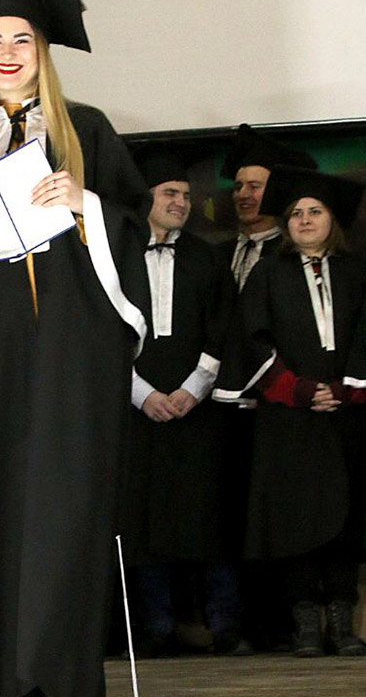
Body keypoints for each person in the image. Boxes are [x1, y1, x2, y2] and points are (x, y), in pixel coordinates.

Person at [0, 0, 151, 697]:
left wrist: (84, 201)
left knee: (63, 506)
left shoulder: (85, 130)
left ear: (43, 49)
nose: (7, 52)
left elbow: (135, 226)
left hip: (69, 348)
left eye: (21, 37)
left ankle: (60, 682)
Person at [214, 166, 366, 656]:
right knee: (294, 519)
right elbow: (251, 338)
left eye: (314, 211)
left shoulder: (358, 272)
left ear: (332, 219)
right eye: (296, 212)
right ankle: (305, 624)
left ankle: (342, 622)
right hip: (289, 419)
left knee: (347, 518)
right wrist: (297, 390)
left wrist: (347, 388)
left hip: (348, 416)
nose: (304, 220)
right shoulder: (268, 273)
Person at [123, 142, 247, 655]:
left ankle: (225, 626)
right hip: (135, 412)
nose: (181, 203)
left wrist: (193, 389)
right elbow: (100, 332)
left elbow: (224, 328)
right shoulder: (115, 258)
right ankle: (155, 630)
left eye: (187, 195)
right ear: (145, 197)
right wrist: (143, 394)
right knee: (142, 522)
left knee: (207, 518)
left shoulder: (207, 258)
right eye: (170, 193)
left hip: (198, 412)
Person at [220, 124, 317, 291]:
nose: (242, 194)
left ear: (275, 193)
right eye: (238, 187)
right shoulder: (217, 255)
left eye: (254, 186)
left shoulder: (293, 255)